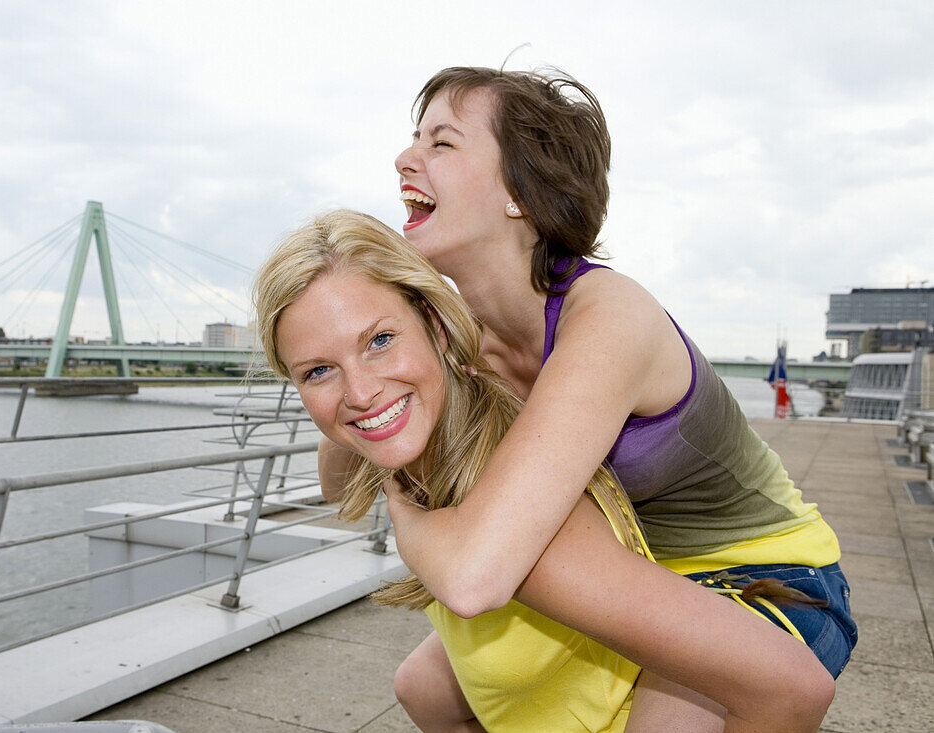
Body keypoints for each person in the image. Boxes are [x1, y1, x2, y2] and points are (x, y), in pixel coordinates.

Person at [351, 65, 857, 730]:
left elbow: (476, 571)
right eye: (414, 138)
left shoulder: (608, 315)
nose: (404, 158)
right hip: (638, 575)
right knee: (424, 687)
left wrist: (406, 518)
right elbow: (345, 453)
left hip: (767, 577)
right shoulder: (464, 340)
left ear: (520, 194)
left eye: (441, 143)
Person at [254, 209, 834, 732]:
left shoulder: (517, 526)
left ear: (437, 325)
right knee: (420, 687)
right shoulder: (440, 445)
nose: (359, 390)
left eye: (380, 340)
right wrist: (370, 430)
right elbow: (339, 480)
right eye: (317, 372)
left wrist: (405, 515)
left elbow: (792, 689)